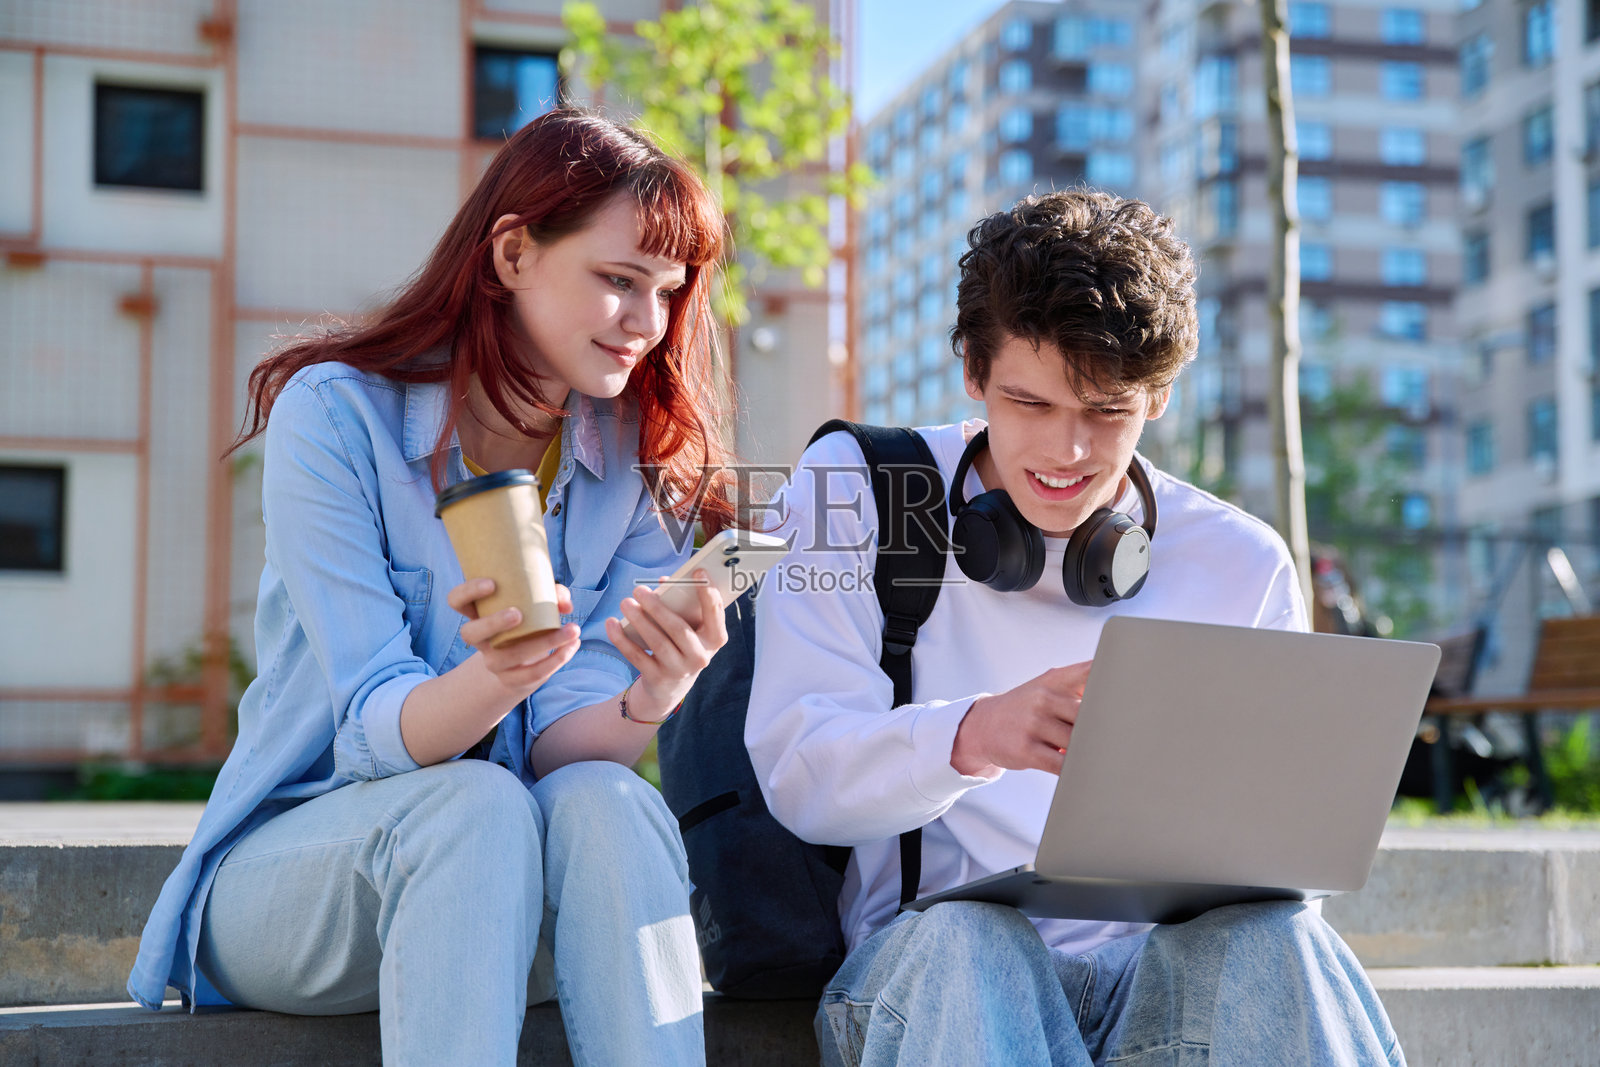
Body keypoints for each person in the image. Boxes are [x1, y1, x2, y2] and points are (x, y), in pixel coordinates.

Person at [128, 110, 735, 1066]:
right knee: (473, 806)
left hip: (505, 890)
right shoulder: (335, 417)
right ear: (512, 254)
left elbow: (567, 748)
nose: (647, 324)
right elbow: (374, 728)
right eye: (618, 280)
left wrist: (650, 695)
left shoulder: (632, 461)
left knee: (608, 801)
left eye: (667, 291)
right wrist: (497, 676)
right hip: (297, 884)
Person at [745, 190, 1406, 1066]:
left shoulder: (1241, 563)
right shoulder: (857, 488)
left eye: (1107, 414)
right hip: (931, 976)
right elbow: (799, 773)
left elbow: (1275, 868)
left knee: (1280, 938)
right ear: (974, 376)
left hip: (1153, 983)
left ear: (1159, 397)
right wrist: (977, 733)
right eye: (1030, 403)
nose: (1067, 452)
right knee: (973, 940)